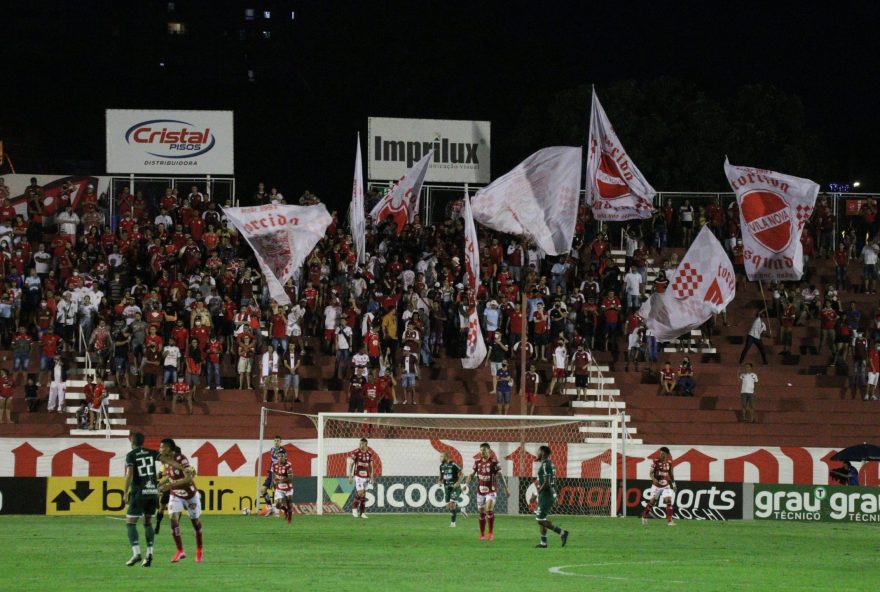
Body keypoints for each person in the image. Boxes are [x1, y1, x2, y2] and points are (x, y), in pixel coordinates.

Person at [158, 438, 204, 563]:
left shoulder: (181, 458)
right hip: (176, 495)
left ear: (169, 448)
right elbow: (170, 476)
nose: (160, 450)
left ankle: (199, 549)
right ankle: (180, 551)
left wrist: (169, 485)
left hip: (190, 495)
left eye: (162, 447)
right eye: (160, 447)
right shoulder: (165, 462)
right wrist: (159, 485)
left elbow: (188, 478)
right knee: (173, 518)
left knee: (195, 522)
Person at [123, 432, 161, 567]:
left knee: (130, 523)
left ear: (131, 440)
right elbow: (165, 459)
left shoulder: (131, 455)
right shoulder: (151, 452)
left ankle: (136, 553)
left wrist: (125, 492)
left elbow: (129, 475)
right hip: (152, 491)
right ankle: (149, 553)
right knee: (147, 522)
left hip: (139, 492)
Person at [465, 443, 509, 541]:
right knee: (481, 513)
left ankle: (490, 533)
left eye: (484, 450)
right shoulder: (477, 462)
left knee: (488, 510)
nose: (482, 452)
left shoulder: (494, 462)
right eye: (481, 450)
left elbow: (500, 476)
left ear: (489, 451)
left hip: (491, 490)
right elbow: (471, 475)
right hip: (480, 491)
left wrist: (505, 488)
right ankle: (482, 535)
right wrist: (466, 485)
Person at [531, 445, 569, 548]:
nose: (537, 453)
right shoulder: (548, 464)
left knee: (540, 519)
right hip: (547, 494)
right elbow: (547, 481)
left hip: (546, 495)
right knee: (542, 519)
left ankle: (562, 532)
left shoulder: (546, 464)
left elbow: (547, 482)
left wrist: (537, 494)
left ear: (543, 453)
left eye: (538, 451)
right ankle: (543, 542)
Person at [641, 446, 676, 526]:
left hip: (666, 485)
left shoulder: (669, 463)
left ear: (667, 454)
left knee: (668, 500)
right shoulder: (655, 461)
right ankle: (644, 516)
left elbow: (671, 474)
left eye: (662, 453)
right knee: (652, 502)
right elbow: (651, 473)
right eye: (660, 453)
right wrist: (654, 479)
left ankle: (670, 521)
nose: (660, 455)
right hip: (656, 486)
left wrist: (674, 484)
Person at [348, 438, 374, 519]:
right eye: (360, 444)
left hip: (366, 476)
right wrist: (350, 476)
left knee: (363, 494)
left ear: (366, 445)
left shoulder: (369, 453)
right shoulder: (355, 453)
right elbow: (351, 465)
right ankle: (354, 509)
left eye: (362, 444)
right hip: (358, 476)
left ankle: (362, 513)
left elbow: (371, 466)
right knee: (360, 493)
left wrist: (371, 476)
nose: (360, 445)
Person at [437, 451, 465, 527]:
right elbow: (440, 477)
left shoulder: (453, 464)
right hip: (447, 488)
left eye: (441, 456)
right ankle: (461, 509)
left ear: (446, 457)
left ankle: (453, 523)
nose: (440, 458)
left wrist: (457, 483)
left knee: (452, 504)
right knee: (448, 506)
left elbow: (462, 475)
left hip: (454, 488)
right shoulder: (441, 466)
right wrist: (439, 482)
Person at [260, 436, 285, 512]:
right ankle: (270, 507)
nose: (276, 442)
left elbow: (281, 462)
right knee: (263, 490)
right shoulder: (272, 449)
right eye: (275, 440)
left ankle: (283, 509)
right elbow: (272, 461)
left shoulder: (282, 451)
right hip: (271, 473)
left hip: (278, 474)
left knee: (277, 496)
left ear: (280, 442)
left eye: (277, 441)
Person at [270, 448, 294, 524]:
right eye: (278, 456)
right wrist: (272, 482)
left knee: (289, 504)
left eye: (281, 456)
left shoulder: (288, 465)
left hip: (288, 488)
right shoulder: (274, 465)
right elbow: (273, 474)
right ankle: (286, 510)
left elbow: (290, 478)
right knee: (278, 505)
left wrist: (281, 480)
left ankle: (289, 520)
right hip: (279, 488)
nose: (279, 458)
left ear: (284, 456)